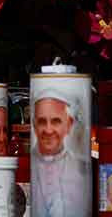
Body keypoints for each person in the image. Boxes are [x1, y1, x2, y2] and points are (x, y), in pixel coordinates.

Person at [31, 87, 89, 217]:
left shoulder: (82, 167)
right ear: (34, 125)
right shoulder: (26, 166)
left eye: (55, 121)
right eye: (42, 122)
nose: (48, 130)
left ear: (68, 124)